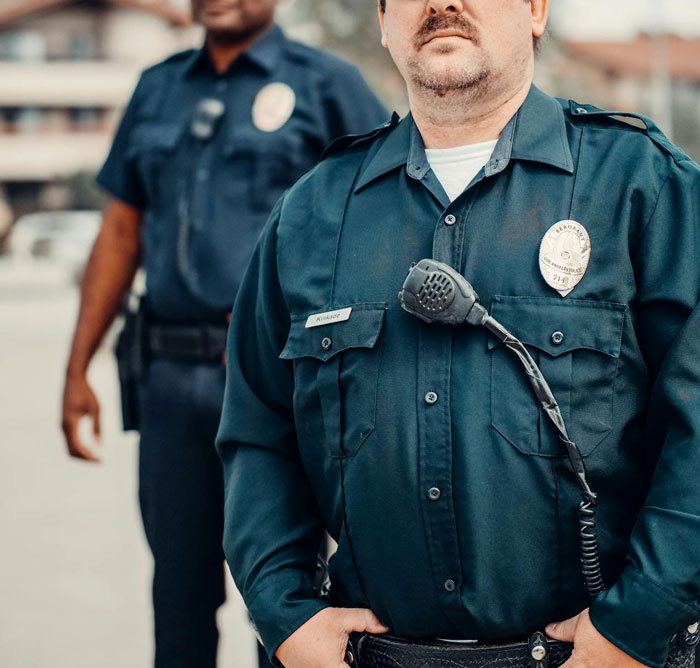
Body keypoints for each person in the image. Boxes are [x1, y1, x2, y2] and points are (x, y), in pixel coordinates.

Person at [215, 1, 700, 668]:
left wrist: (639, 622)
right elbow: (256, 431)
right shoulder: (311, 213)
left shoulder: (644, 186)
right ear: (384, 22)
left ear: (535, 9)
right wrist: (287, 614)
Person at [60, 1, 388, 667]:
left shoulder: (329, 84)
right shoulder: (158, 88)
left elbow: (386, 211)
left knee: (285, 603)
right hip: (172, 382)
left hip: (278, 390)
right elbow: (121, 230)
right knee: (178, 595)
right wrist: (77, 370)